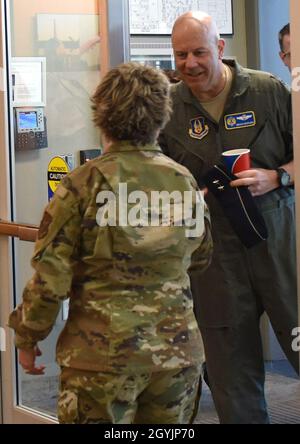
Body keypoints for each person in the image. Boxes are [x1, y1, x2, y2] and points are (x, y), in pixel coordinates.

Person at [8, 62, 213, 424]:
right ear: (162, 117)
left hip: (99, 359)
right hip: (176, 356)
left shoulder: (82, 185)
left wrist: (28, 337)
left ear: (100, 115)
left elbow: (50, 279)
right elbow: (201, 257)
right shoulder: (183, 181)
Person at [159, 11, 298, 424]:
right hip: (213, 256)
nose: (190, 64)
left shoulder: (267, 91)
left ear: (220, 48)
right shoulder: (169, 106)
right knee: (230, 373)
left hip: (276, 241)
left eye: (199, 52)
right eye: (181, 55)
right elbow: (155, 174)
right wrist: (183, 197)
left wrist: (277, 177)